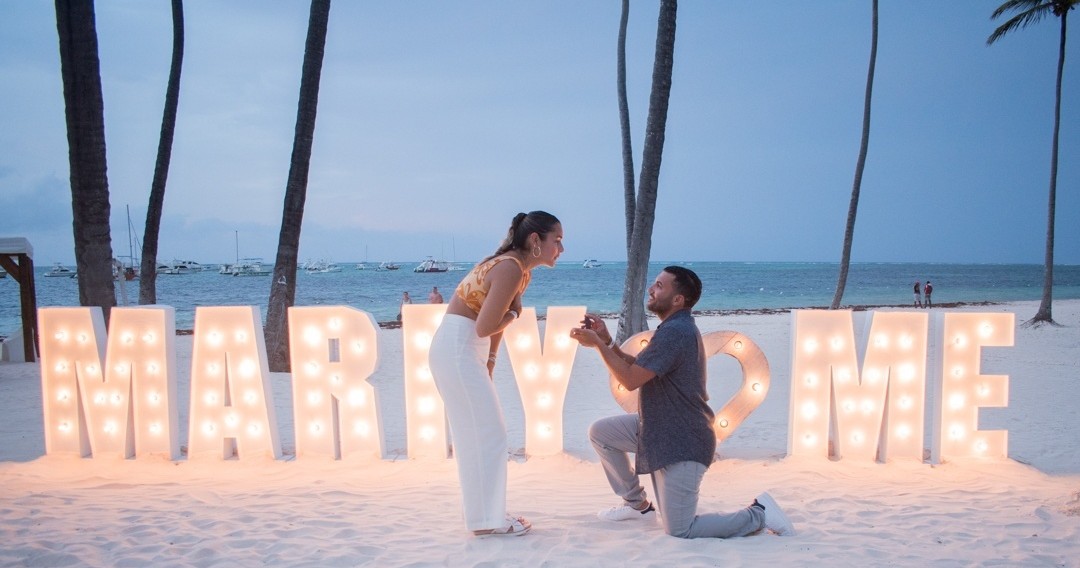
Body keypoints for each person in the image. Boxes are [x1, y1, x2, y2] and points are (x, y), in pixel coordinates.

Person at [569, 266, 795, 539]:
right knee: (601, 433)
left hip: (683, 440)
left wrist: (598, 346)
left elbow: (630, 380)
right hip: (657, 428)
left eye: (660, 286)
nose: (651, 289)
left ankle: (759, 513)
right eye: (654, 283)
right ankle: (637, 506)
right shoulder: (673, 329)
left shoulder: (677, 332)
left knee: (680, 529)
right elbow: (638, 366)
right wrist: (606, 340)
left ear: (678, 300)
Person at [428, 211, 563, 537]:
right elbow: (489, 324)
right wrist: (514, 316)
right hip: (460, 348)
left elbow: (494, 323)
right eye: (556, 240)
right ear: (535, 241)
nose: (562, 247)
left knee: (475, 436)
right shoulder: (510, 269)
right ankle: (488, 520)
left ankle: (482, 517)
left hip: (459, 348)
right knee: (489, 435)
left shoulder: (516, 270)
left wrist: (489, 362)